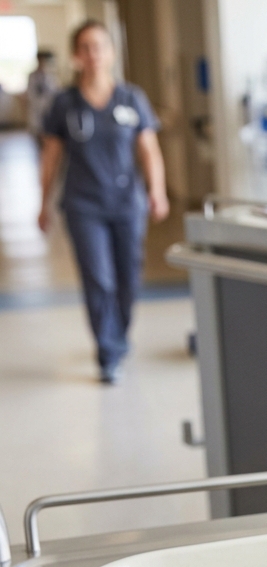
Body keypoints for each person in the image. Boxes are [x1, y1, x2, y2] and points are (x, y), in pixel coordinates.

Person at [38, 20, 169, 383]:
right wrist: (42, 203)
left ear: (111, 53)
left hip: (128, 203)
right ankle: (108, 351)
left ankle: (120, 336)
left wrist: (156, 191)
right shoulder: (63, 104)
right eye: (86, 48)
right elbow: (50, 157)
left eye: (100, 46)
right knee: (99, 280)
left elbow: (149, 150)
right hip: (83, 206)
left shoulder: (132, 99)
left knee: (128, 280)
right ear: (76, 56)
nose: (94, 54)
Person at [26, 50, 59, 143]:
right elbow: (31, 94)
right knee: (37, 137)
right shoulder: (32, 76)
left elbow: (54, 94)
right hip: (36, 112)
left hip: (49, 111)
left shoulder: (51, 77)